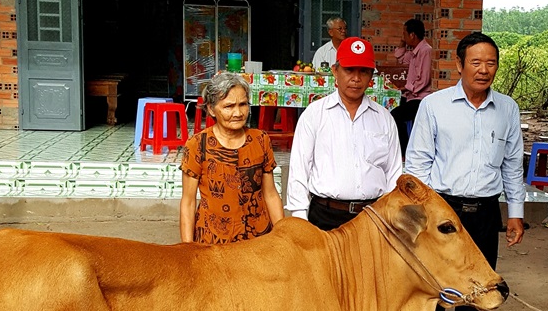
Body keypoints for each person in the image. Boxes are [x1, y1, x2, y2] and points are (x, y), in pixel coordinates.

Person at [392, 31, 525, 311]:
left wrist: (515, 213)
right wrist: (416, 214)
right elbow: (418, 162)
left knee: (478, 286)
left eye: (491, 63)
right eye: (476, 62)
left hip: (484, 211)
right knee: (430, 286)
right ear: (459, 65)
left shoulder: (507, 110)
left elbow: (512, 165)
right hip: (442, 211)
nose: (484, 70)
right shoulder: (434, 106)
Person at [286, 37, 402, 230]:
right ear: (335, 71)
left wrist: (390, 217)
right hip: (325, 216)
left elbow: (393, 173)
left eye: (363, 71)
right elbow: (299, 169)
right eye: (349, 70)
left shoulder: (384, 118)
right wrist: (300, 218)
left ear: (371, 76)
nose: (356, 78)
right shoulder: (315, 114)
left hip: (372, 217)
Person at [179, 72, 284, 244]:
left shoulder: (260, 140)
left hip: (258, 241)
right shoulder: (197, 145)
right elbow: (188, 202)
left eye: (243, 104)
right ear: (211, 109)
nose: (238, 113)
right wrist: (187, 248)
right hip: (213, 243)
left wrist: (283, 238)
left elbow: (270, 194)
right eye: (229, 106)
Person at [391, 18, 433, 156]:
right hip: (411, 96)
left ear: (412, 35)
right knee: (390, 109)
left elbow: (424, 79)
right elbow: (400, 58)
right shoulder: (415, 51)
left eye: (404, 34)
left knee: (396, 115)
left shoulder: (426, 51)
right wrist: (402, 43)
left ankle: (405, 151)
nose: (403, 36)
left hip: (421, 98)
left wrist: (407, 88)